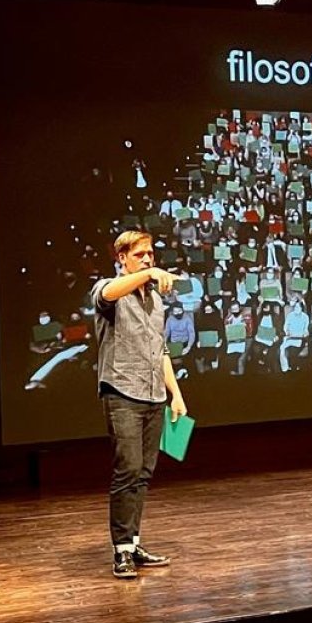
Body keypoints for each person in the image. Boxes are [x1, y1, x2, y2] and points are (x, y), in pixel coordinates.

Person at [91, 230, 189, 579]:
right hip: (123, 393)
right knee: (127, 469)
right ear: (122, 258)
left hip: (154, 395)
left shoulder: (155, 301)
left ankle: (132, 541)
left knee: (143, 474)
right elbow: (106, 294)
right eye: (140, 254)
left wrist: (175, 394)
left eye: (151, 255)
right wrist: (145, 276)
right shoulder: (109, 289)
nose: (148, 259)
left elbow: (159, 350)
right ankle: (120, 552)